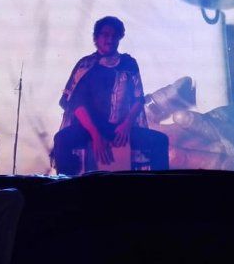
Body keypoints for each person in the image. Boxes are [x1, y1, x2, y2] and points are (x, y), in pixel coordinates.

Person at [52, 16, 169, 175]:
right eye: (105, 35)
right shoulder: (85, 65)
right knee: (62, 140)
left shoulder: (129, 63)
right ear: (96, 38)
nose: (110, 39)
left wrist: (127, 124)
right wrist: (95, 134)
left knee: (160, 141)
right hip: (88, 127)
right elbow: (75, 103)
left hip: (120, 128)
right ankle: (66, 187)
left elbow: (138, 99)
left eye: (114, 35)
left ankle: (159, 189)